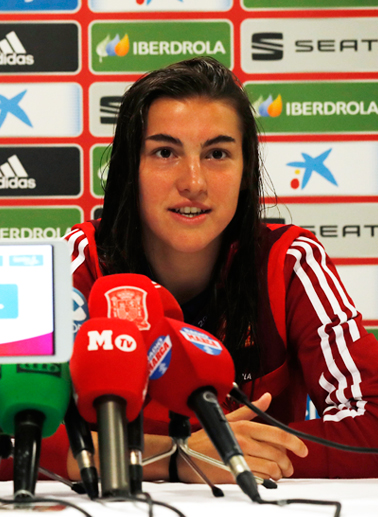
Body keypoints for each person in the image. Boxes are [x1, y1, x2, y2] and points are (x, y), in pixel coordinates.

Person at [64, 56, 378, 481]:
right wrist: (178, 457)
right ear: (128, 169)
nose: (193, 181)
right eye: (165, 152)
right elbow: (3, 437)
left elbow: (372, 422)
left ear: (246, 170)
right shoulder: (82, 260)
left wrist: (237, 453)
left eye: (216, 153)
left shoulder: (290, 261)